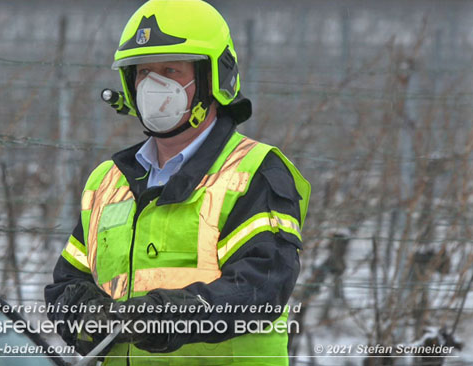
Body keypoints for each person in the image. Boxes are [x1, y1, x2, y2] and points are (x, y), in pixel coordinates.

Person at [44, 1, 310, 365]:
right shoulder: (108, 180)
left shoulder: (255, 172)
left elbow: (261, 287)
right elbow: (64, 285)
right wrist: (88, 314)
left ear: (212, 77)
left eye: (170, 70)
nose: (153, 85)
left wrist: (162, 317)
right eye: (143, 72)